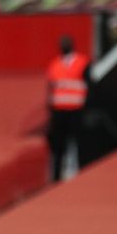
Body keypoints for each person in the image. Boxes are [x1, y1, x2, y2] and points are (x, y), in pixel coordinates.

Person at [46, 34, 91, 182]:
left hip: (76, 109)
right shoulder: (54, 65)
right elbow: (51, 88)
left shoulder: (82, 63)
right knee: (58, 145)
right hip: (59, 111)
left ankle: (78, 173)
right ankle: (56, 177)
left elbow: (89, 84)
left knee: (78, 143)